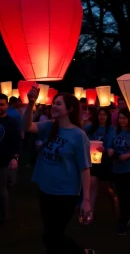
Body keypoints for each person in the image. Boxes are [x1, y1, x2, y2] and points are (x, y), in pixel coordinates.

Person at [22, 86, 95, 254]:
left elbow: (85, 168)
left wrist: (86, 200)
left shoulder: (78, 136)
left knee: (52, 236)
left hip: (65, 194)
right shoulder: (49, 126)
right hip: (45, 190)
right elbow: (27, 126)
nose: (54, 106)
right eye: (54, 103)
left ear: (69, 109)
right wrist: (30, 104)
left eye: (59, 104)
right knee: (51, 237)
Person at [107, 107, 130, 235]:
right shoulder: (114, 131)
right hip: (117, 168)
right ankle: (128, 213)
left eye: (124, 118)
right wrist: (109, 150)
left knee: (124, 194)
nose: (122, 121)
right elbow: (108, 145)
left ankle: (124, 219)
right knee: (121, 194)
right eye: (120, 118)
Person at [84, 107, 118, 219]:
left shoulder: (111, 129)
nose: (102, 117)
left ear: (108, 117)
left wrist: (106, 148)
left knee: (104, 188)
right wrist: (84, 120)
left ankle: (113, 198)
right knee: (92, 186)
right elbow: (81, 131)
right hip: (92, 161)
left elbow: (111, 141)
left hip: (105, 161)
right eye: (100, 114)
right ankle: (90, 214)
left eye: (104, 114)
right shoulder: (92, 127)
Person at [0, 93, 21, 226]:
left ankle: (4, 215)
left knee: (1, 188)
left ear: (7, 105)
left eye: (2, 104)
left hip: (3, 159)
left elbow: (16, 141)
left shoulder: (11, 122)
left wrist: (15, 157)